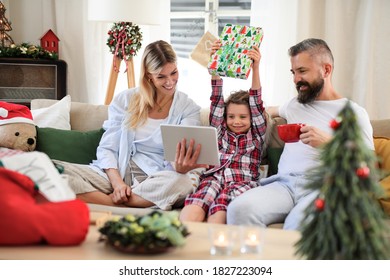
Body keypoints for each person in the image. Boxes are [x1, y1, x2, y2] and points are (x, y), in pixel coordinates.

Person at [226, 38, 374, 230]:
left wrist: (329, 144)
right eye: (293, 72)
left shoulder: (353, 112)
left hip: (323, 186)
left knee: (297, 225)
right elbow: (264, 110)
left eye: (302, 71)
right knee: (239, 209)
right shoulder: (294, 104)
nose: (296, 79)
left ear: (326, 70)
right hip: (283, 185)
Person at [55, 40, 206, 210]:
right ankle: (129, 201)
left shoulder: (187, 108)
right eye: (161, 76)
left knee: (183, 182)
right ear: (148, 75)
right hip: (117, 173)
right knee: (54, 169)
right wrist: (118, 184)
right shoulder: (125, 100)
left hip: (155, 179)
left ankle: (114, 202)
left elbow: (182, 156)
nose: (170, 81)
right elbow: (107, 148)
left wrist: (180, 166)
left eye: (174, 73)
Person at [179, 41, 267, 224]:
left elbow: (256, 102)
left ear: (252, 119)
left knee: (219, 210)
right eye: (231, 116)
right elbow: (217, 97)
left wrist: (255, 67)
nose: (236, 121)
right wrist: (215, 63)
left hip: (240, 184)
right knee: (195, 205)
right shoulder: (219, 132)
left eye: (243, 117)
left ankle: (213, 247)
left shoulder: (256, 134)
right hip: (214, 178)